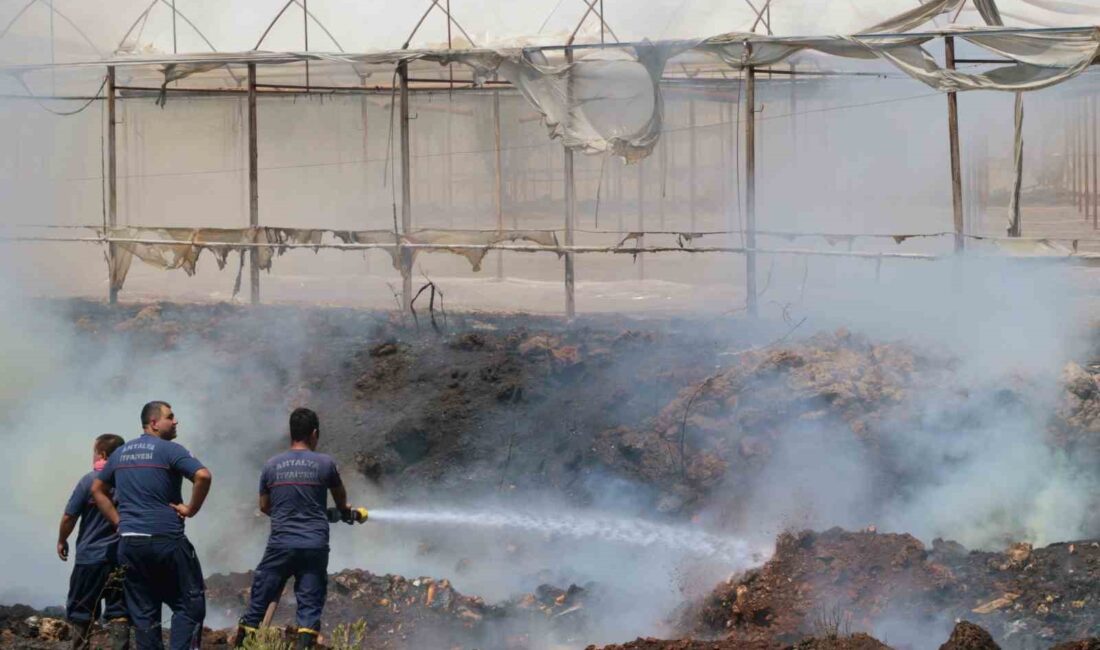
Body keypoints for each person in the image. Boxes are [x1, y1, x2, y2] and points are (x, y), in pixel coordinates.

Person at [91, 401, 212, 650]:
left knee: (144, 614)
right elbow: (203, 475)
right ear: (154, 423)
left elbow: (97, 489)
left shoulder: (120, 454)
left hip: (130, 544)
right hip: (166, 540)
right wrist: (191, 509)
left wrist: (118, 522)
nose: (176, 421)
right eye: (171, 416)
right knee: (190, 607)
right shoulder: (170, 450)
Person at [234, 407, 356, 649]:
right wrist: (342, 510)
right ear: (314, 434)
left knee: (258, 602)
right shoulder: (325, 463)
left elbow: (264, 506)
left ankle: (243, 645)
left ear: (291, 434)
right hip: (314, 547)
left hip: (280, 546)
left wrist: (286, 513)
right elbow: (341, 498)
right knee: (309, 607)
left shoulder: (271, 465)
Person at [58, 433, 130, 650]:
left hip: (90, 559)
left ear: (103, 454)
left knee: (82, 610)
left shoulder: (90, 481)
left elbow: (70, 516)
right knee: (120, 612)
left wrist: (62, 540)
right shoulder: (130, 481)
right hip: (122, 558)